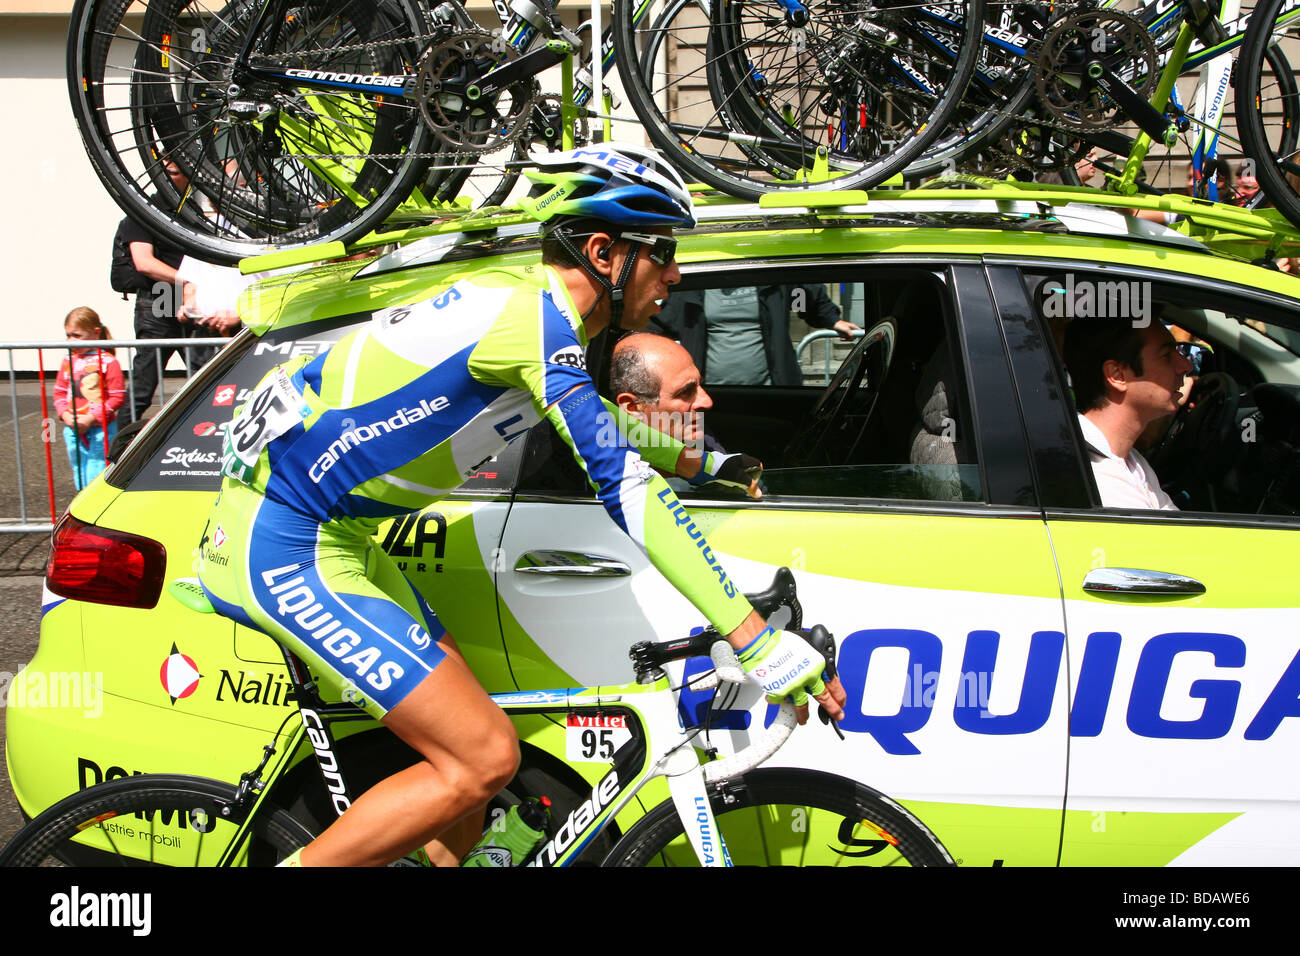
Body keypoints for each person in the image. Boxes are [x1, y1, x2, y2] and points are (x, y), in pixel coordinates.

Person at [196, 144, 845, 868]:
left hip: (338, 535)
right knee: (481, 759)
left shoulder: (525, 310)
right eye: (661, 251)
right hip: (287, 538)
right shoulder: (530, 320)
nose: (676, 273)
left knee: (467, 799)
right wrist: (752, 636)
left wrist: (706, 459)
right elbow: (624, 485)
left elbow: (597, 425)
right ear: (603, 251)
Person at [1063, 317, 1195, 510]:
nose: (1186, 366)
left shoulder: (1128, 459)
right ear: (1117, 375)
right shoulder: (1101, 479)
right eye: (1166, 355)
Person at [120, 159, 207, 420]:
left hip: (188, 299)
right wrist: (188, 281)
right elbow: (144, 263)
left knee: (206, 379)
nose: (171, 179)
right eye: (168, 173)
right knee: (142, 388)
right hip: (159, 300)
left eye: (178, 173)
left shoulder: (192, 211)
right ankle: (117, 456)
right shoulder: (145, 210)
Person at [652, 282, 861, 386]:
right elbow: (660, 323)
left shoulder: (773, 283)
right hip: (712, 394)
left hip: (771, 389)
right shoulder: (696, 287)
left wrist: (833, 320)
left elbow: (805, 297)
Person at [53, 307, 126, 490]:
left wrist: (92, 418)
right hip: (72, 426)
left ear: (95, 333)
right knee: (79, 467)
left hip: (100, 428)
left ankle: (95, 505)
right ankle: (81, 502)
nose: (71, 341)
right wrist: (65, 415)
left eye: (77, 335)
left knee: (96, 468)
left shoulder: (108, 361)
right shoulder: (68, 360)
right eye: (68, 335)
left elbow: (117, 397)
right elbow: (60, 392)